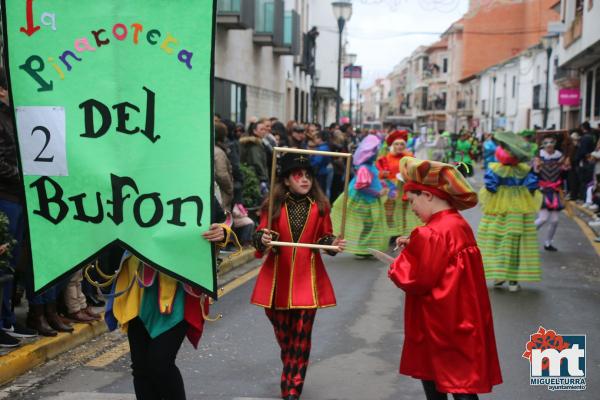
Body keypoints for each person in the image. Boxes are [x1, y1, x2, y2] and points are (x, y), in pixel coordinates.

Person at [388, 157, 502, 400]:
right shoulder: (457, 223)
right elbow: (446, 259)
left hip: (439, 322)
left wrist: (397, 265)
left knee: (438, 379)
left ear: (428, 196)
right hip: (464, 316)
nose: (413, 209)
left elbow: (416, 279)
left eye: (413, 201)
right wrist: (414, 244)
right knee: (461, 381)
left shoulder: (430, 232)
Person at [251, 153, 345, 400]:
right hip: (276, 280)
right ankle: (291, 369)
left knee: (301, 337)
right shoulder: (271, 206)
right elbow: (259, 235)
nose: (304, 179)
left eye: (308, 176)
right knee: (288, 338)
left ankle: (292, 388)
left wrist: (333, 243)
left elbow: (324, 238)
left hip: (308, 280)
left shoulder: (321, 207)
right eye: (298, 175)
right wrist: (262, 239)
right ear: (286, 180)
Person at [104, 221, 227, 400]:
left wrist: (222, 231)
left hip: (179, 292)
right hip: (137, 288)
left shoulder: (197, 192)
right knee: (141, 367)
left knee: (160, 363)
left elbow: (219, 220)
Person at [0, 70, 38, 346]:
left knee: (12, 262)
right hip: (8, 196)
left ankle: (8, 320)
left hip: (17, 195)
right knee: (6, 262)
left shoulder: (11, 116)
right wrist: (25, 179)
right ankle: (4, 321)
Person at [477, 131, 541, 292]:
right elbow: (533, 186)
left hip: (499, 210)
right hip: (518, 210)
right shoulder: (524, 170)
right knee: (514, 244)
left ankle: (500, 277)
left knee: (497, 241)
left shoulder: (495, 169)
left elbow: (490, 187)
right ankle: (512, 280)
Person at [332, 134, 388, 257]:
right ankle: (363, 248)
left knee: (371, 224)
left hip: (370, 200)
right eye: (375, 150)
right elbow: (361, 186)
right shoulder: (364, 168)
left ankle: (366, 248)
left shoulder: (370, 166)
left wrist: (382, 184)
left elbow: (373, 180)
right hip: (364, 202)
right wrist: (377, 193)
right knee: (369, 224)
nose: (377, 152)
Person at [376, 130, 420, 238]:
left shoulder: (409, 157)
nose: (399, 146)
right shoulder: (385, 158)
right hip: (390, 190)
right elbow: (378, 173)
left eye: (402, 144)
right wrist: (383, 174)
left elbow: (416, 172)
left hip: (404, 189)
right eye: (397, 144)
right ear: (392, 145)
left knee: (403, 212)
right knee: (389, 213)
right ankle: (392, 232)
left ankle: (401, 233)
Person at [534, 134, 565, 251]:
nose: (549, 145)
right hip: (542, 191)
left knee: (555, 220)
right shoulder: (538, 157)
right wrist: (536, 168)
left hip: (555, 191)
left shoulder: (560, 157)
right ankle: (525, 236)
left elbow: (564, 175)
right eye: (546, 143)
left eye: (551, 142)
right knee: (543, 218)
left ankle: (548, 243)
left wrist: (565, 167)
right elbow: (533, 175)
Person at [240, 120, 270, 196]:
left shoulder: (261, 142)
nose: (264, 131)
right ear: (254, 131)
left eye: (265, 129)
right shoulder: (254, 145)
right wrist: (263, 177)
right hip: (256, 178)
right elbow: (257, 162)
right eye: (261, 129)